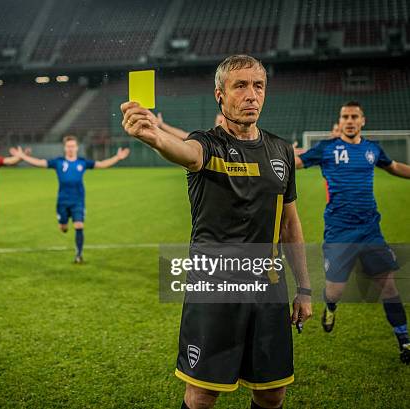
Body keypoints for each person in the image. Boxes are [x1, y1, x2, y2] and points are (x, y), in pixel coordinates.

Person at [121, 54, 312, 409]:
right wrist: (155, 138)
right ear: (219, 95)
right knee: (201, 394)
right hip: (215, 285)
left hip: (267, 286)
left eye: (258, 86)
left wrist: (303, 288)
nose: (251, 95)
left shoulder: (281, 150)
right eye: (240, 86)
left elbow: (289, 223)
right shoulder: (207, 144)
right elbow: (187, 153)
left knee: (272, 392)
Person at [295, 101, 410, 364]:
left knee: (389, 286)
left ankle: (404, 340)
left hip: (370, 231)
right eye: (345, 116)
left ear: (362, 121)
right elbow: (298, 162)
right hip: (339, 233)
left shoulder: (372, 149)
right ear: (340, 120)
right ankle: (331, 307)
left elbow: (393, 167)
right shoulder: (327, 149)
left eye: (353, 116)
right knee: (335, 291)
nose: (349, 120)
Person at [11, 135, 130, 263]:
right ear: (65, 148)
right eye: (68, 146)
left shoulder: (82, 162)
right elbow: (40, 163)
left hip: (78, 201)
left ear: (77, 148)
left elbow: (101, 164)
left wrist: (117, 157)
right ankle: (63, 224)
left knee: (79, 225)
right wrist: (22, 157)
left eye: (73, 146)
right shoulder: (58, 162)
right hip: (62, 201)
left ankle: (79, 255)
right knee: (64, 228)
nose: (71, 149)